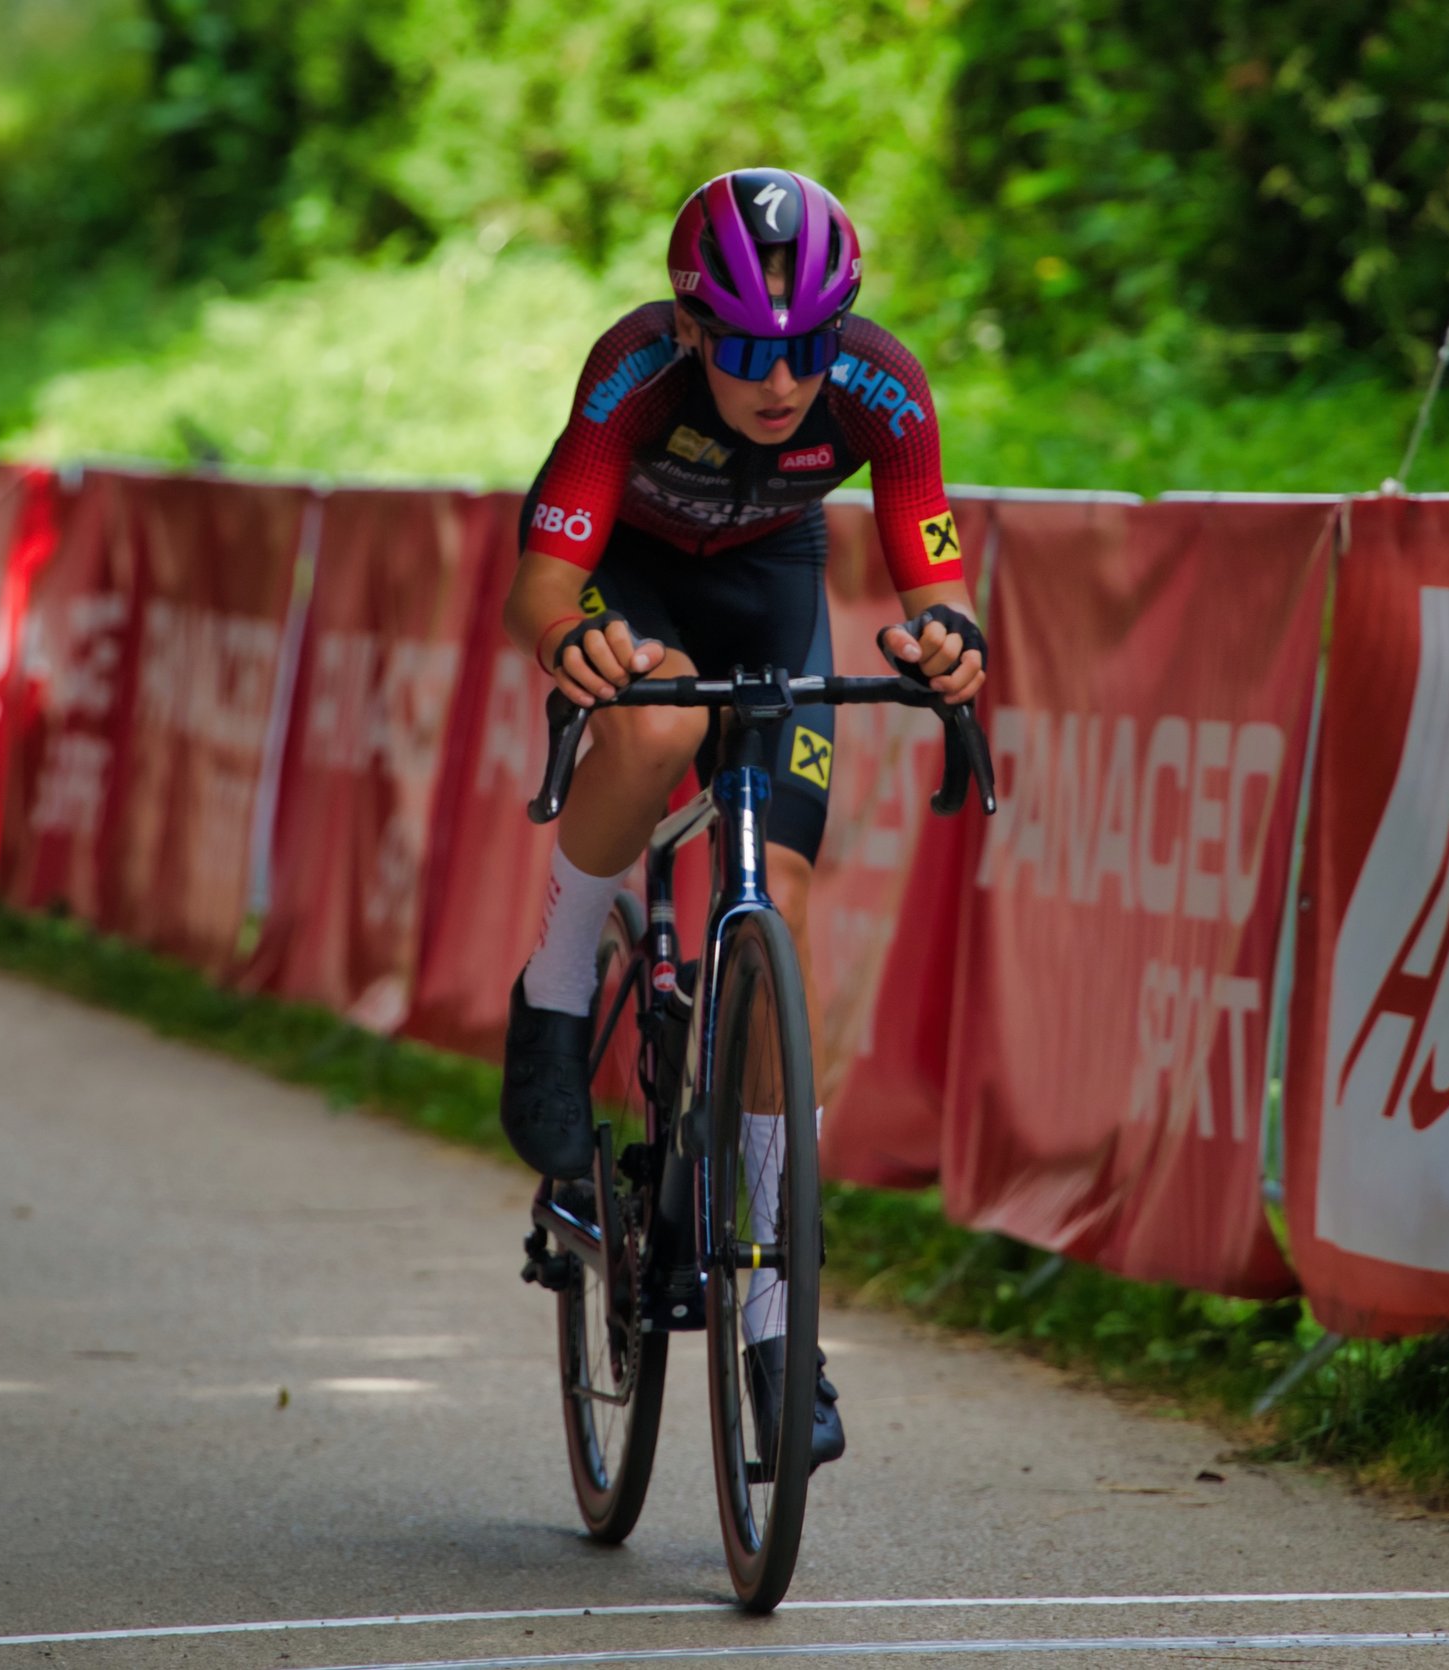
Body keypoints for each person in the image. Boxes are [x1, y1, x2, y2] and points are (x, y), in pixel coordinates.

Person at [498, 168, 988, 1468]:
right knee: (658, 725)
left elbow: (937, 571)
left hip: (773, 581)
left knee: (786, 900)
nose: (783, 381)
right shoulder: (634, 374)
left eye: (809, 348)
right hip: (633, 573)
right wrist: (577, 643)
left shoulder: (882, 386)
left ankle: (777, 1328)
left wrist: (950, 641)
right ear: (692, 329)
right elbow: (541, 584)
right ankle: (556, 991)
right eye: (751, 351)